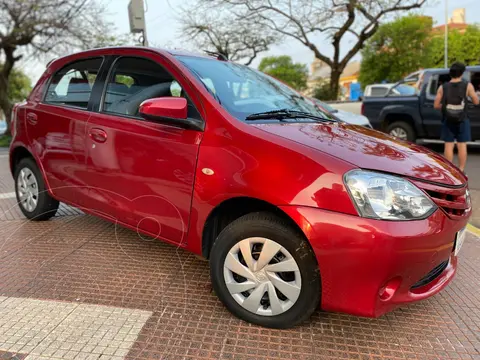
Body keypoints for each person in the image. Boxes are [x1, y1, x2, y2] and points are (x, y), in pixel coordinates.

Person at [434, 62, 479, 173]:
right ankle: (461, 169)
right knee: (461, 144)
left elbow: (436, 105)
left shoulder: (443, 87)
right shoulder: (467, 86)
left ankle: (449, 170)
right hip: (462, 119)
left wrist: (446, 108)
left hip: (447, 119)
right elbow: (476, 101)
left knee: (448, 144)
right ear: (462, 73)